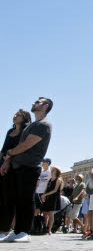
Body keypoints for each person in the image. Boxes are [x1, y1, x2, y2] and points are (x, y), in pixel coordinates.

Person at [0, 97, 54, 243]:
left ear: (45, 106)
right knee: (18, 200)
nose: (34, 103)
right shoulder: (34, 124)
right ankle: (17, 231)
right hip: (19, 166)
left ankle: (24, 231)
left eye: (38, 102)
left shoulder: (43, 125)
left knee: (26, 199)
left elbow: (26, 145)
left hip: (29, 167)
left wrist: (10, 153)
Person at [0, 109, 31, 237]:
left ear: (24, 118)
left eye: (18, 115)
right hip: (3, 165)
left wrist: (8, 161)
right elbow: (3, 149)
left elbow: (20, 149)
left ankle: (7, 229)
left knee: (11, 198)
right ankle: (2, 228)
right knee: (2, 198)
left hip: (15, 166)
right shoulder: (10, 131)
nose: (15, 116)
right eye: (15, 114)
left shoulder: (25, 132)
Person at [40, 166, 63, 234]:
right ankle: (44, 227)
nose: (52, 171)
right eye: (52, 170)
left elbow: (55, 190)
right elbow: (46, 188)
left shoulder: (58, 179)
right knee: (44, 213)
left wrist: (45, 195)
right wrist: (43, 195)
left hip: (54, 198)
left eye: (54, 170)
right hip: (48, 197)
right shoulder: (50, 179)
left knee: (51, 213)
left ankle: (49, 229)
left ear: (57, 172)